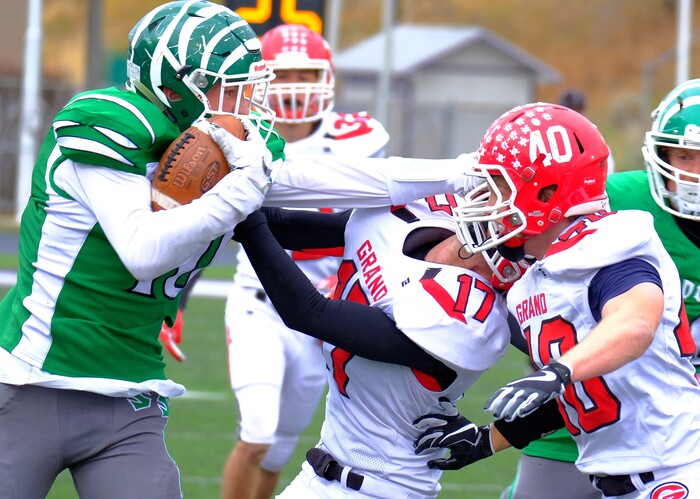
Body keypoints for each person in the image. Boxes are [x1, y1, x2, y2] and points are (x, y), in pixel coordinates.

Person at [0, 1, 483, 496]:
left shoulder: (223, 150)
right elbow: (142, 249)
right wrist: (240, 192)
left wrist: (463, 172)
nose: (247, 100)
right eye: (228, 85)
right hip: (28, 382)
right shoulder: (110, 127)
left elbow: (335, 180)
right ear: (176, 89)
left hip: (128, 397)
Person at [413, 101, 700, 497]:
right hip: (621, 479)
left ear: (547, 191)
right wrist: (488, 440)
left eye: (499, 186)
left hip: (677, 474)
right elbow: (588, 391)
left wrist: (557, 371)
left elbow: (635, 323)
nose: (486, 200)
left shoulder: (609, 245)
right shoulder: (537, 274)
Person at [229, 178, 526, 497]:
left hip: (381, 489)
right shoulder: (422, 208)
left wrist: (240, 209)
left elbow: (307, 312)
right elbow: (282, 227)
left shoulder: (471, 316)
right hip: (320, 473)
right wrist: (226, 187)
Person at [220, 24, 389, 499]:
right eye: (284, 73)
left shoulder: (358, 138)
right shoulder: (237, 135)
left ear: (328, 79)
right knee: (255, 435)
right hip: (258, 306)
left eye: (306, 73)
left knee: (278, 451)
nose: (295, 85)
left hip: (321, 317)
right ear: (259, 80)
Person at [558, 87, 615, 174]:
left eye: (578, 111)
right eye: (570, 110)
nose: (574, 115)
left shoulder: (592, 137)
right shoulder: (555, 138)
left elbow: (607, 170)